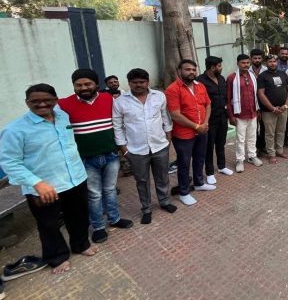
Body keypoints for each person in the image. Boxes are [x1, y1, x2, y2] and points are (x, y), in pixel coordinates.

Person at [0, 84, 98, 274]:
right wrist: (36, 183)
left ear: (55, 100)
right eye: (35, 101)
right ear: (27, 103)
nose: (42, 104)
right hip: (44, 187)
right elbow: (9, 162)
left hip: (75, 178)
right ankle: (57, 257)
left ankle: (80, 244)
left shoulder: (63, 117)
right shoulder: (14, 130)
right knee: (48, 224)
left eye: (47, 100)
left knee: (79, 216)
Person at [59, 69, 133, 243]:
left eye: (87, 84)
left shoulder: (109, 99)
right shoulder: (63, 105)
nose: (83, 88)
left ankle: (114, 219)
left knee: (110, 190)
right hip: (86, 159)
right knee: (94, 194)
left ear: (96, 85)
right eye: (78, 85)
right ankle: (98, 227)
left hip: (111, 155)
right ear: (73, 86)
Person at [112, 68, 177, 224]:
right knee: (142, 181)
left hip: (159, 145)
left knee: (162, 176)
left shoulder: (159, 96)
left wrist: (168, 136)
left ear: (147, 82)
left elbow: (165, 117)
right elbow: (117, 126)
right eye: (134, 82)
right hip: (135, 149)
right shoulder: (120, 101)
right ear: (129, 83)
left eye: (142, 82)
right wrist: (123, 148)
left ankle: (164, 201)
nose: (138, 85)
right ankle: (146, 209)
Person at [165, 60, 214, 206]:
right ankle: (184, 192)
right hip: (183, 134)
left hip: (202, 130)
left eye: (193, 69)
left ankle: (199, 183)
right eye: (187, 69)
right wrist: (196, 126)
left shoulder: (200, 86)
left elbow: (208, 104)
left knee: (200, 158)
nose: (191, 72)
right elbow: (175, 114)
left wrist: (205, 123)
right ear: (179, 70)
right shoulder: (172, 89)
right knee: (184, 163)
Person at [197, 56, 233, 183]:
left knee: (221, 143)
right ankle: (210, 172)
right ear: (212, 67)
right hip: (209, 120)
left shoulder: (221, 79)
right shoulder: (200, 81)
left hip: (222, 118)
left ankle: (222, 166)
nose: (221, 68)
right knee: (209, 146)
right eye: (219, 66)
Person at [227, 54, 264, 173]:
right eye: (243, 63)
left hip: (252, 112)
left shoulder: (252, 76)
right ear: (237, 63)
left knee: (252, 136)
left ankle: (252, 156)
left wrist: (258, 110)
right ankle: (239, 160)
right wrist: (231, 115)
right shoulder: (232, 78)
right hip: (239, 114)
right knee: (240, 139)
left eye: (247, 63)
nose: (246, 65)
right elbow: (228, 98)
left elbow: (255, 95)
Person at [257, 55, 288, 164]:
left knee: (281, 131)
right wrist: (272, 108)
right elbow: (261, 94)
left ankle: (279, 151)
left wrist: (286, 105)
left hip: (283, 109)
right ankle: (271, 154)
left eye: (274, 61)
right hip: (269, 111)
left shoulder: (283, 74)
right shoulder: (262, 76)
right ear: (266, 63)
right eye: (270, 61)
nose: (273, 63)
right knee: (270, 133)